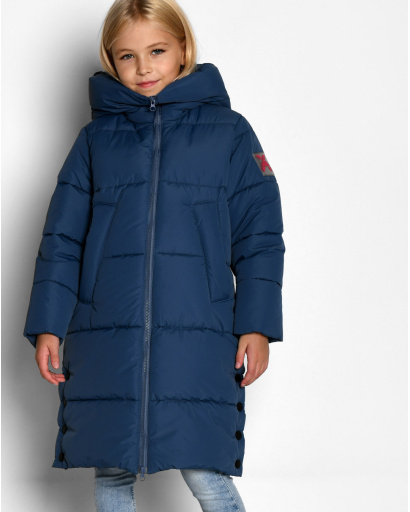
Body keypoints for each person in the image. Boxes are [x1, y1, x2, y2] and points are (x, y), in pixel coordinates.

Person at [23, 0, 286, 510]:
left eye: (157, 51)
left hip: (200, 336)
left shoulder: (229, 134)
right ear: (111, 60)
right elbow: (62, 240)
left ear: (183, 49)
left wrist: (257, 325)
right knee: (111, 470)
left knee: (205, 470)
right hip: (106, 335)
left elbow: (259, 236)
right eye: (127, 56)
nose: (143, 67)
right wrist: (48, 326)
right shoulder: (96, 141)